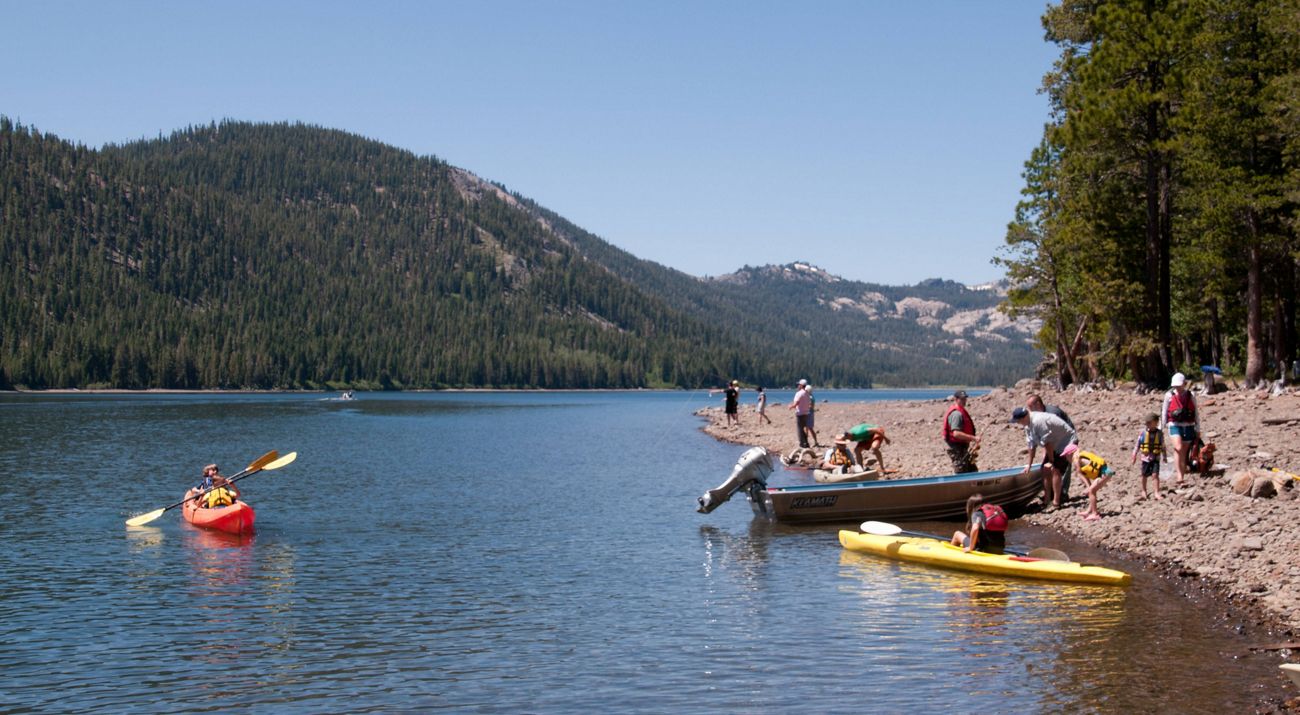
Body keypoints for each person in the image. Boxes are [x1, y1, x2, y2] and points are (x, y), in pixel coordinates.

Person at [1012, 406, 1078, 510]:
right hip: (1054, 444)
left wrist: (1051, 461)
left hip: (1066, 442)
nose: (1018, 423)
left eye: (1018, 421)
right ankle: (1047, 500)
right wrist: (1029, 465)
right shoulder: (1027, 425)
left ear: (1024, 417)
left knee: (1056, 470)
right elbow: (1031, 446)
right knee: (1045, 470)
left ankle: (1056, 501)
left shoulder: (1038, 421)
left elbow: (1048, 443)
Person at [1026, 394, 1077, 501]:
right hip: (1054, 442)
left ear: (1038, 404)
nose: (1029, 410)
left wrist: (1050, 456)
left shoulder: (1052, 413)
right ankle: (1049, 495)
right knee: (1046, 468)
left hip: (1067, 441)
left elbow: (1054, 434)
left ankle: (1062, 494)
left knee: (1061, 468)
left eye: (1030, 407)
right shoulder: (1037, 417)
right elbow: (1044, 439)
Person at [1161, 372, 1202, 485]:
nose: (1177, 388)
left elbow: (1196, 413)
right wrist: (1161, 427)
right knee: (1178, 447)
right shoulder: (1169, 395)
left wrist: (1198, 429)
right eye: (1175, 386)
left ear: (1184, 384)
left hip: (1188, 426)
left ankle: (1181, 476)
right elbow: (1164, 411)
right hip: (1174, 425)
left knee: (1183, 452)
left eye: (1179, 385)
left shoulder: (1191, 395)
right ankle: (1179, 475)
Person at [942, 390, 981, 473]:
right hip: (956, 448)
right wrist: (973, 438)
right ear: (956, 399)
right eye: (962, 399)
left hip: (962, 447)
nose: (964, 401)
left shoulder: (961, 411)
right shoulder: (957, 414)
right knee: (961, 470)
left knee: (972, 469)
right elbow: (956, 434)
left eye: (965, 399)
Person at [1130, 412, 1165, 499]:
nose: (1147, 424)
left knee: (1155, 475)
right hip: (1145, 458)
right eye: (1147, 423)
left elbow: (1163, 445)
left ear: (1156, 422)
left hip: (1156, 458)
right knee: (1144, 475)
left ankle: (1156, 492)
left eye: (1149, 422)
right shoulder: (1143, 433)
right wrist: (1134, 455)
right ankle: (1143, 491)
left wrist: (1164, 456)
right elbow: (1137, 445)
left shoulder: (1160, 434)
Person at [1075, 450, 1114, 521]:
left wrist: (1088, 488)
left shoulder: (1076, 459)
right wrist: (1088, 487)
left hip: (1105, 473)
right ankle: (1089, 511)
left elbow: (1079, 473)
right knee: (1092, 490)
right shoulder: (1081, 457)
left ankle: (1095, 514)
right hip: (1106, 472)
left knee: (1091, 491)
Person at [789, 379, 812, 448]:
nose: (798, 386)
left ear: (801, 385)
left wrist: (791, 406)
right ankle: (806, 442)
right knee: (803, 429)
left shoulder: (799, 393)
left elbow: (796, 403)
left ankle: (802, 444)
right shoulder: (807, 393)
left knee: (800, 429)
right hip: (806, 413)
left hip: (800, 414)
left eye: (799, 384)